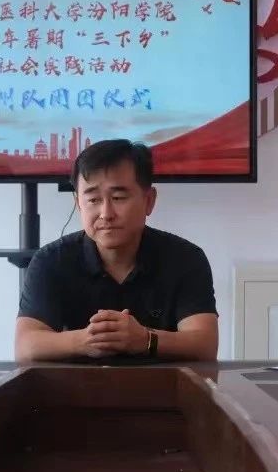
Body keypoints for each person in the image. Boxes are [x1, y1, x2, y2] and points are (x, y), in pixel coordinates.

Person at [15, 139, 218, 362]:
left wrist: (145, 340)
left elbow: (205, 345)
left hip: (163, 383)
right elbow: (25, 346)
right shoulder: (51, 261)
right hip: (76, 384)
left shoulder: (185, 259)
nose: (106, 213)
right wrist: (85, 340)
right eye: (93, 199)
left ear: (149, 200)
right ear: (79, 204)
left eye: (118, 198)